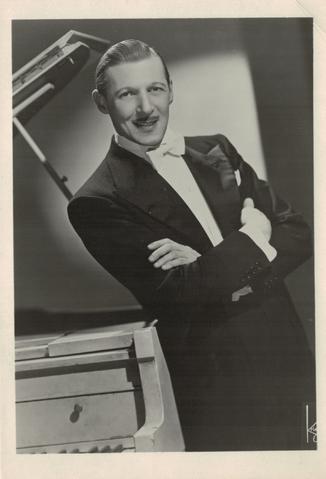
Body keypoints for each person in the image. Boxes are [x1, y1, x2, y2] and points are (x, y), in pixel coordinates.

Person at [68, 39, 315, 451]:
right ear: (101, 102)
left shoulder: (216, 150)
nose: (146, 108)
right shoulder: (96, 202)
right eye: (127, 94)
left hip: (285, 348)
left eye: (155, 89)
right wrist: (255, 235)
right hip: (220, 380)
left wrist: (213, 264)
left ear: (171, 89)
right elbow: (180, 291)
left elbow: (298, 231)